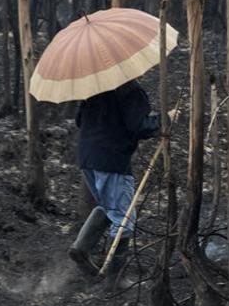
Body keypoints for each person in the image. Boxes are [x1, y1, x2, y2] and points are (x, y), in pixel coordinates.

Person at [67, 79, 164, 278]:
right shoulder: (130, 90)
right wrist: (164, 120)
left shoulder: (94, 87)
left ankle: (81, 247)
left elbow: (79, 120)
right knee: (124, 217)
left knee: (109, 206)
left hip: (88, 159)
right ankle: (114, 278)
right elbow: (139, 127)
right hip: (111, 161)